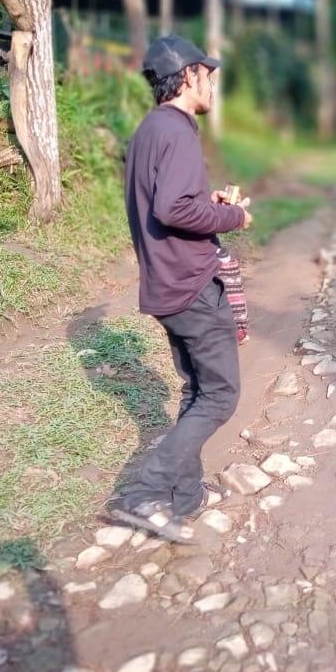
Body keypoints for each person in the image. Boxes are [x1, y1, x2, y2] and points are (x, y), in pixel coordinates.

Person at [114, 35, 252, 542]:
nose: (213, 85)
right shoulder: (177, 132)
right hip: (192, 286)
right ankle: (143, 493)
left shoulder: (152, 130)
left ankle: (185, 494)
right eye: (208, 76)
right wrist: (233, 215)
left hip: (165, 283)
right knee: (220, 396)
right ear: (189, 75)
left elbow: (169, 199)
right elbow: (174, 210)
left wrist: (206, 200)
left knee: (197, 389)